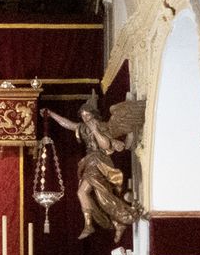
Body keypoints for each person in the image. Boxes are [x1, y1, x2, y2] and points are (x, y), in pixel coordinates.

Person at [43, 94, 145, 241]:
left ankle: (105, 221)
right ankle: (114, 220)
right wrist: (51, 114)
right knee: (96, 194)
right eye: (83, 116)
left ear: (93, 114)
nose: (85, 118)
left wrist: (96, 130)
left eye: (87, 115)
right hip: (89, 163)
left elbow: (106, 145)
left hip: (99, 162)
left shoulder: (103, 126)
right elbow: (68, 124)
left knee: (88, 193)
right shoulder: (83, 128)